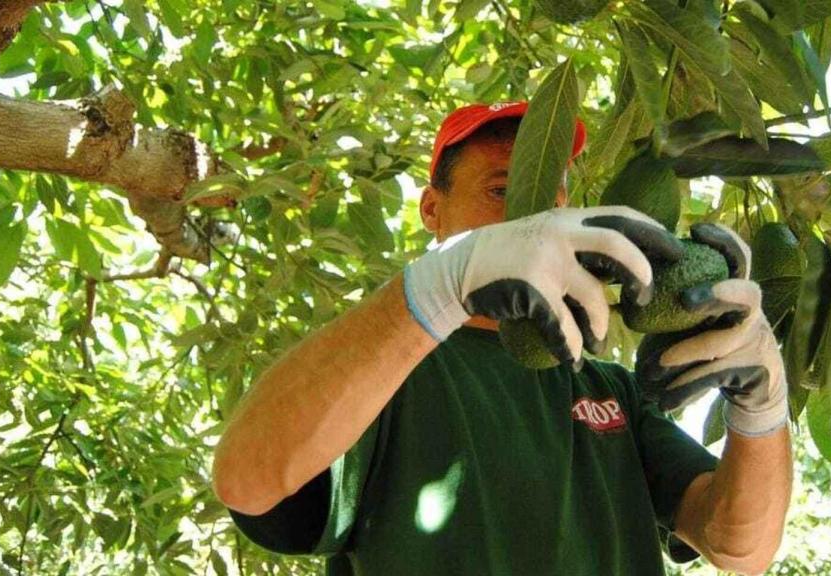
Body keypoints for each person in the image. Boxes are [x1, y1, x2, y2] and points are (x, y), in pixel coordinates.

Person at [211, 102, 793, 576]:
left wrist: (761, 409)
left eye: (550, 194)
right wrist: (439, 285)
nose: (532, 213)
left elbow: (741, 548)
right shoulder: (381, 365)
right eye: (501, 190)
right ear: (432, 210)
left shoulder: (610, 388)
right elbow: (247, 481)